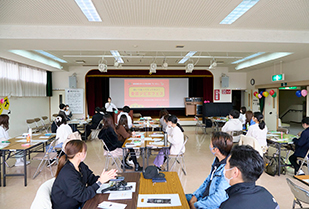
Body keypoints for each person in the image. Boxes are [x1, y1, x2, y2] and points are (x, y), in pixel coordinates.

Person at [51, 140, 117, 209]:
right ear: (79, 154)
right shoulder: (68, 174)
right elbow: (82, 196)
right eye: (85, 151)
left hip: (78, 202)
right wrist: (100, 182)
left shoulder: (80, 165)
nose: (86, 153)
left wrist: (107, 177)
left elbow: (91, 179)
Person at [186, 132, 233, 209]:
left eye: (210, 144)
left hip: (210, 205)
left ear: (216, 150)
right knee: (179, 198)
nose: (209, 146)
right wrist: (195, 195)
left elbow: (217, 199)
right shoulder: (217, 160)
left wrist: (196, 204)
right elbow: (208, 181)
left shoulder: (227, 170)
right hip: (203, 197)